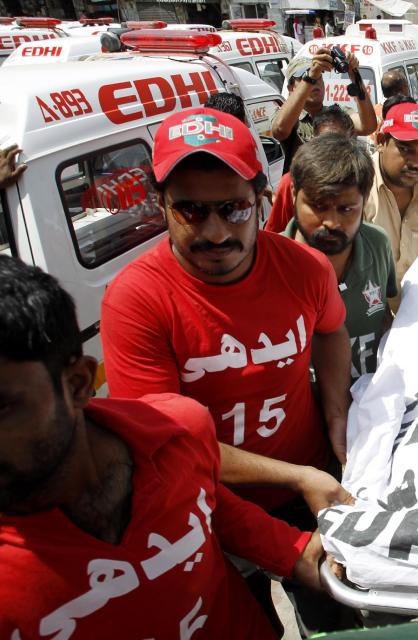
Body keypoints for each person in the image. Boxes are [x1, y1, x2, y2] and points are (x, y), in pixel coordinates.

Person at [98, 108, 353, 635]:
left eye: (233, 209)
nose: (214, 233)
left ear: (262, 202)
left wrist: (337, 417)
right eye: (190, 210)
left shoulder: (308, 268)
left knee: (336, 623)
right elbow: (166, 447)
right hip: (207, 510)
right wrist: (296, 475)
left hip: (308, 492)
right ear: (161, 207)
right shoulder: (135, 300)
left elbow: (332, 331)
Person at [0, 256, 339, 638]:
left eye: (2, 407)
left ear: (78, 384)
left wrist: (295, 551)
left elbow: (202, 499)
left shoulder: (174, 432)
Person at [285, 133, 396, 381]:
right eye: (318, 206)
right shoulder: (268, 266)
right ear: (294, 193)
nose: (332, 222)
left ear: (365, 200)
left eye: (346, 209)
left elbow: (384, 316)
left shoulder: (377, 244)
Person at [364, 102, 418, 309]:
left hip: (413, 315)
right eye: (406, 149)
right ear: (381, 142)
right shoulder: (357, 189)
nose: (415, 162)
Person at [271, 52, 376, 172]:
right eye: (303, 77)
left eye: (319, 76)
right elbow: (280, 130)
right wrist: (310, 77)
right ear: (291, 88)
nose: (315, 82)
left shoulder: (337, 114)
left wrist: (354, 75)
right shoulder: (288, 117)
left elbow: (367, 126)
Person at [265, 105, 356, 234]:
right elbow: (274, 236)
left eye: (339, 143)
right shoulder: (291, 182)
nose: (332, 150)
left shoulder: (361, 180)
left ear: (351, 140)